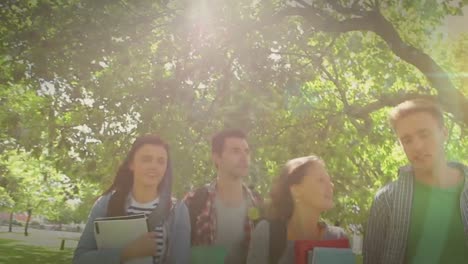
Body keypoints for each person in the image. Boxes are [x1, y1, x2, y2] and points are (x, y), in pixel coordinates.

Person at [363, 98, 468, 264]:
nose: (417, 146)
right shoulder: (387, 200)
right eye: (407, 140)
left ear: (444, 133)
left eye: (424, 134)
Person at [73, 135, 190, 264]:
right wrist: (127, 252)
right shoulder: (105, 204)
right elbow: (79, 259)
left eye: (161, 161)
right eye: (146, 159)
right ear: (131, 164)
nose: (154, 166)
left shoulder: (178, 211)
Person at [246, 155, 347, 264]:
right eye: (321, 180)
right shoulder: (267, 233)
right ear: (296, 190)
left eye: (329, 180)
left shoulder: (338, 237)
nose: (331, 185)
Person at [183, 128, 263, 264]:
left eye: (247, 151)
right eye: (236, 151)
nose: (244, 158)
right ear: (216, 157)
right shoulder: (195, 201)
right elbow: (178, 253)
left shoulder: (259, 203)